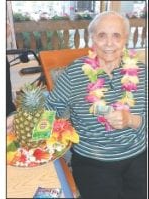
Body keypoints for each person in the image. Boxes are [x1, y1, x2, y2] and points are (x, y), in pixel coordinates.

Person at [44, 11, 146, 199]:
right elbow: (51, 108)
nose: (109, 43)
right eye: (102, 35)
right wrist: (21, 120)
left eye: (116, 35)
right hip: (93, 161)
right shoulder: (74, 73)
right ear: (92, 39)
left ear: (125, 39)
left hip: (138, 157)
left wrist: (132, 120)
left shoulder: (142, 72)